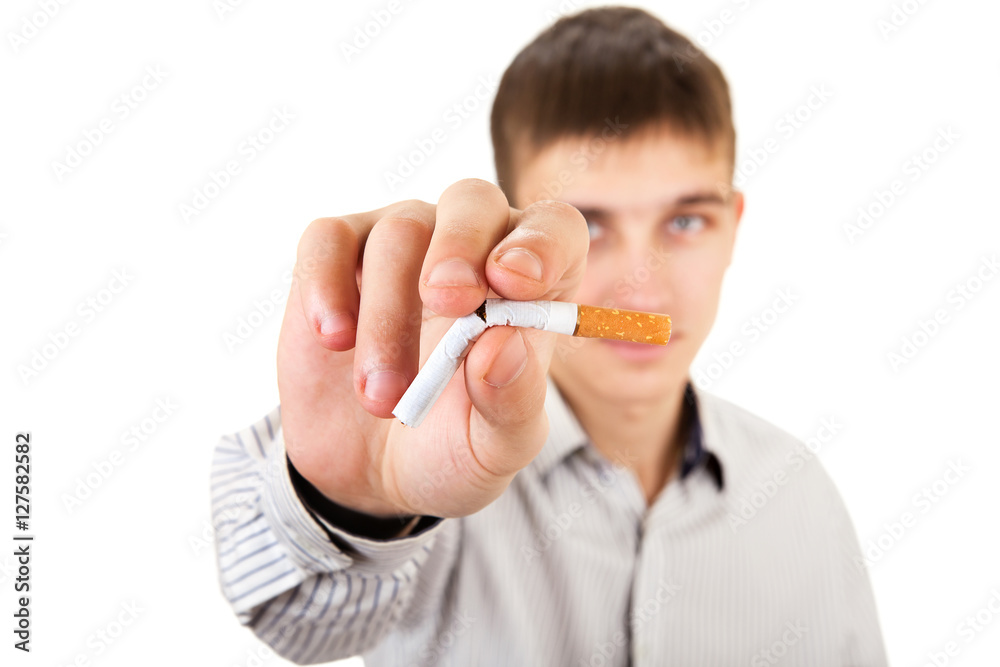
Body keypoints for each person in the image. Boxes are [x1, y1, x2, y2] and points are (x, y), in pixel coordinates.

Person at [210, 6, 888, 665]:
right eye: (590, 226)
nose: (642, 288)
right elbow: (296, 622)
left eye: (685, 222)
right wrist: (351, 503)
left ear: (734, 225)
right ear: (513, 231)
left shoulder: (797, 494)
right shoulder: (437, 477)